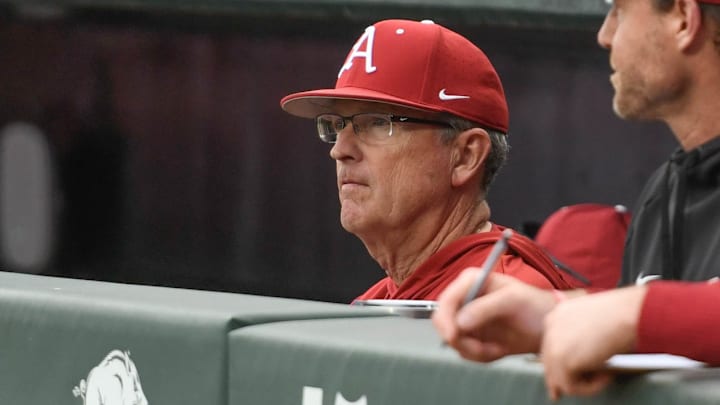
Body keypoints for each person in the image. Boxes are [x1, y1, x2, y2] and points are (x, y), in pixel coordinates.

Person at [433, 0, 720, 399]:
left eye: (619, 10)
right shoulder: (667, 189)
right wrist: (553, 312)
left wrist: (632, 313)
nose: (604, 36)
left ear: (684, 20)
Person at [280, 19, 573, 301]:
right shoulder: (381, 297)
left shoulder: (509, 302)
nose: (340, 149)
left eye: (378, 123)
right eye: (337, 124)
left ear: (465, 157)